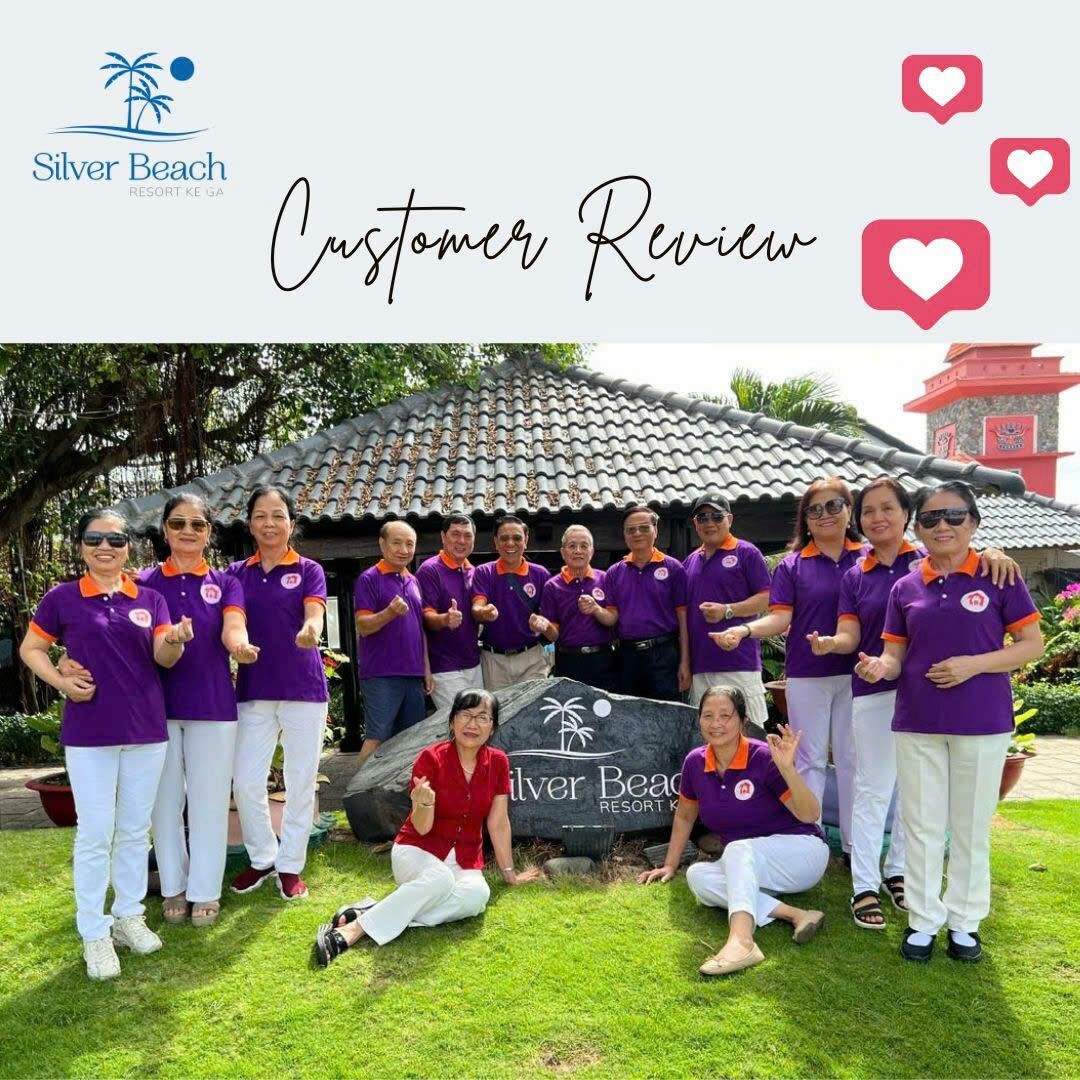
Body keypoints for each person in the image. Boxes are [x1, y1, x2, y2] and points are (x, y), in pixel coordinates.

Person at [809, 478, 1018, 930]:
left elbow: (971, 559)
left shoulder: (931, 556)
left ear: (907, 516)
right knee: (872, 788)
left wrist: (996, 553)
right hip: (875, 688)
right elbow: (850, 634)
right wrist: (834, 646)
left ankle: (899, 873)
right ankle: (864, 883)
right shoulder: (855, 575)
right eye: (868, 511)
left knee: (915, 796)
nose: (878, 518)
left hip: (927, 696)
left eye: (888, 508)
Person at [856, 482, 1043, 963]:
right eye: (931, 519)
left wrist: (973, 665)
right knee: (920, 825)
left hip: (982, 722)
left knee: (970, 827)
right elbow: (895, 656)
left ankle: (965, 922)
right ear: (918, 528)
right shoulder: (905, 587)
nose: (943, 526)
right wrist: (879, 667)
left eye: (954, 516)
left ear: (973, 523)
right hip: (917, 721)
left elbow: (1031, 645)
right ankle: (923, 921)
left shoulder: (999, 576)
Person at [19, 510, 192, 980]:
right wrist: (61, 681)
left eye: (115, 540)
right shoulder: (63, 598)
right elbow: (31, 648)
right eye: (95, 538)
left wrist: (176, 639)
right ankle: (94, 932)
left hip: (145, 732)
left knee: (135, 831)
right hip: (89, 733)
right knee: (96, 833)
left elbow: (164, 656)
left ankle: (128, 916)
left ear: (127, 547)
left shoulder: (151, 599)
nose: (105, 547)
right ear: (81, 546)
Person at [313, 689, 541, 964]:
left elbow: (499, 821)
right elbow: (421, 828)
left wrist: (509, 873)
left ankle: (373, 911)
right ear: (452, 721)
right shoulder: (430, 758)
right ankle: (353, 930)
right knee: (440, 880)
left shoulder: (498, 762)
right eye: (465, 715)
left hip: (464, 858)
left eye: (482, 717)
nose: (473, 724)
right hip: (417, 851)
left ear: (492, 727)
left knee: (477, 897)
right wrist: (424, 803)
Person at [712, 478, 861, 860]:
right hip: (807, 672)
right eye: (815, 509)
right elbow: (780, 618)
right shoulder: (793, 565)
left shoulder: (869, 557)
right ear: (804, 519)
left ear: (849, 511)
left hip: (860, 674)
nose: (824, 515)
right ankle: (810, 840)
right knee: (808, 759)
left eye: (834, 506)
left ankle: (853, 845)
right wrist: (744, 630)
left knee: (851, 761)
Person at [638, 686, 828, 976]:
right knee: (698, 876)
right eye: (708, 715)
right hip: (753, 863)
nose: (716, 723)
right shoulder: (695, 762)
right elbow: (686, 815)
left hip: (802, 853)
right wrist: (670, 864)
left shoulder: (763, 756)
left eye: (725, 716)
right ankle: (797, 914)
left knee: (738, 847)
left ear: (743, 721)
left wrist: (788, 770)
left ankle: (742, 942)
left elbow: (810, 815)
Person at [228, 486, 329, 902]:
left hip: (303, 689)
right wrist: (238, 646)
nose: (269, 523)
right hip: (254, 690)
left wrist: (310, 631)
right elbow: (231, 621)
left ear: (292, 523)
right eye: (261, 516)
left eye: (278, 515)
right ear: (250, 524)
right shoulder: (236, 573)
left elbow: (315, 613)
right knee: (246, 782)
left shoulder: (308, 569)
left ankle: (290, 865)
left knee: (300, 781)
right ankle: (263, 857)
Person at [683, 493, 772, 727]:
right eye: (702, 517)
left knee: (749, 732)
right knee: (708, 734)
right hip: (701, 666)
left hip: (739, 663)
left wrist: (728, 610)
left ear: (729, 519)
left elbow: (767, 598)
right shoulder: (691, 561)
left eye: (716, 516)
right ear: (695, 523)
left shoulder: (746, 552)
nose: (709, 523)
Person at [355, 521, 434, 767]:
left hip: (413, 674)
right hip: (381, 674)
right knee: (377, 737)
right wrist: (389, 612)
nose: (404, 549)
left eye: (409, 544)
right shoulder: (369, 578)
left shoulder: (413, 580)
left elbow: (419, 629)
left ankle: (401, 789)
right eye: (397, 543)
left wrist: (426, 669)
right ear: (383, 544)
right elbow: (363, 626)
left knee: (410, 739)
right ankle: (357, 789)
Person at [605, 505, 690, 701]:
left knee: (667, 711)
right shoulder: (614, 573)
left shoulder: (674, 568)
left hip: (664, 653)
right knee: (629, 711)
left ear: (655, 530)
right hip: (627, 656)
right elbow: (611, 618)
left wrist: (685, 662)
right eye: (631, 530)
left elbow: (683, 619)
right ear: (625, 535)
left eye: (644, 528)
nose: (637, 533)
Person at [470, 516, 552, 690]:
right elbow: (477, 607)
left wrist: (543, 624)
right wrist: (484, 612)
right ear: (496, 542)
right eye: (504, 538)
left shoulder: (541, 574)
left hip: (532, 658)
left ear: (526, 540)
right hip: (494, 661)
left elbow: (551, 622)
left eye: (517, 538)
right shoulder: (484, 572)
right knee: (498, 707)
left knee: (533, 705)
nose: (510, 543)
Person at [416, 514, 482, 711]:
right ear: (443, 537)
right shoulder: (430, 570)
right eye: (455, 534)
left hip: (473, 663)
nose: (462, 541)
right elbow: (426, 618)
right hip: (444, 666)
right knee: (464, 718)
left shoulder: (473, 571)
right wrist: (445, 619)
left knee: (476, 719)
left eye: (467, 535)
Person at [539, 525, 618, 690]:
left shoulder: (605, 579)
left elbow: (613, 619)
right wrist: (544, 626)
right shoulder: (552, 586)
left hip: (603, 659)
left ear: (592, 551)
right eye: (572, 546)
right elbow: (553, 635)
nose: (578, 551)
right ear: (563, 552)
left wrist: (596, 609)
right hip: (568, 660)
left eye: (584, 546)